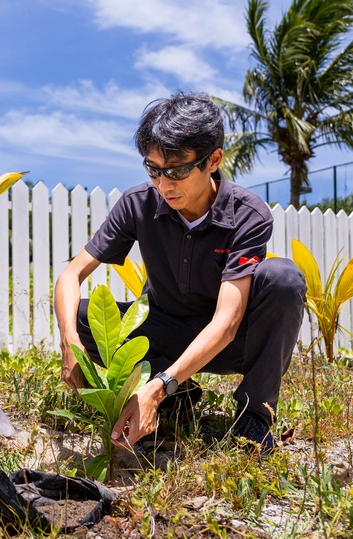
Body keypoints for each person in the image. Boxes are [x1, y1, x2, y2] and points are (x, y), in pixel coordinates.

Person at [54, 91, 305, 455]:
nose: (164, 184)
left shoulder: (248, 214)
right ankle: (179, 395)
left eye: (178, 171)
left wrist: (157, 387)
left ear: (213, 160)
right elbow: (70, 276)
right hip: (164, 331)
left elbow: (228, 321)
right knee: (79, 316)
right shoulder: (139, 204)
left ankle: (254, 416)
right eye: (153, 169)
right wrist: (69, 342)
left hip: (230, 342)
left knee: (284, 278)